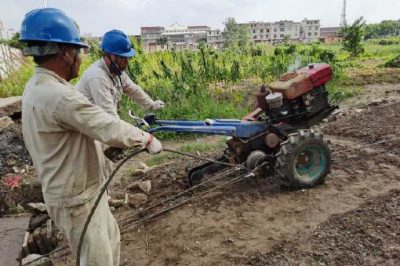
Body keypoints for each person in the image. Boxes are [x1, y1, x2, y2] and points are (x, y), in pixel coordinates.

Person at [19, 8, 161, 266]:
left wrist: (150, 104)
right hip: (75, 198)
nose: (81, 58)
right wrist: (146, 139)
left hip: (84, 188)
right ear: (65, 53)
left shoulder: (41, 87)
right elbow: (105, 123)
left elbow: (126, 95)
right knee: (97, 260)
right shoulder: (60, 95)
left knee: (111, 241)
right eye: (78, 52)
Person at [76, 29, 165, 119]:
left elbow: (134, 90)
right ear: (109, 55)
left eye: (127, 58)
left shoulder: (117, 72)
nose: (126, 62)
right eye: (122, 58)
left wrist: (151, 105)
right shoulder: (97, 77)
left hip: (98, 122)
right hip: (83, 126)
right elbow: (109, 116)